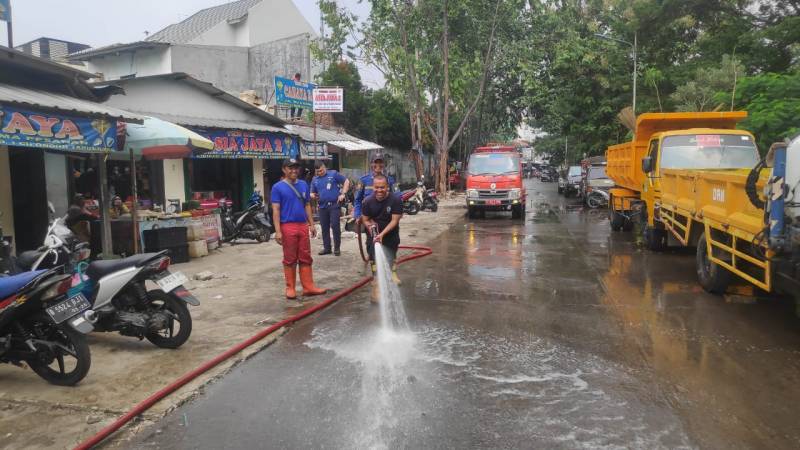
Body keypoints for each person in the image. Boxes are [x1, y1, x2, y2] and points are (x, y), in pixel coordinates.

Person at [271, 158, 327, 300]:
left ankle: (308, 287)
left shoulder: (303, 184)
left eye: (296, 168)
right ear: (284, 169)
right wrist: (278, 231)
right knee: (290, 258)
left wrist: (311, 224)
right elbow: (276, 209)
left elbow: (307, 204)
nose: (294, 170)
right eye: (290, 168)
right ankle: (290, 288)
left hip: (302, 225)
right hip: (287, 226)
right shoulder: (277, 187)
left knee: (305, 256)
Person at [361, 175, 403, 295]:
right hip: (373, 234)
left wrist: (383, 234)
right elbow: (365, 219)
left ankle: (392, 274)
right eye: (377, 187)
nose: (379, 190)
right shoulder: (368, 201)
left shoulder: (395, 200)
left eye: (382, 187)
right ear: (373, 187)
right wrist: (370, 227)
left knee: (391, 255)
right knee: (373, 257)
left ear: (387, 187)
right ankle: (376, 278)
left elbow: (395, 220)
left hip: (390, 233)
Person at [310, 161, 350, 256]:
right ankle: (327, 248)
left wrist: (343, 194)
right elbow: (311, 192)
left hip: (334, 205)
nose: (320, 173)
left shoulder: (333, 174)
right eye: (318, 171)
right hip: (322, 206)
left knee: (335, 226)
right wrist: (312, 195)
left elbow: (346, 181)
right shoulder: (315, 179)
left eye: (321, 170)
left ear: (324, 167)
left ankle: (337, 248)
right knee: (324, 228)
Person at [354, 153, 395, 220]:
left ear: (384, 164)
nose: (378, 165)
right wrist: (358, 215)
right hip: (368, 217)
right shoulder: (363, 180)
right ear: (371, 164)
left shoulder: (390, 180)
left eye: (380, 162)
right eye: (375, 162)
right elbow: (358, 199)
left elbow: (397, 197)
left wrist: (396, 213)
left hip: (385, 216)